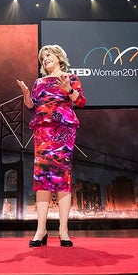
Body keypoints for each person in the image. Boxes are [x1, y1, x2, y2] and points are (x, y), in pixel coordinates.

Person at [16, 44, 86, 247]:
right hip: (43, 132)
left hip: (63, 132)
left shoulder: (69, 77)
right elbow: (32, 106)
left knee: (63, 178)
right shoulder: (39, 81)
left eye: (48, 55)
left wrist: (68, 89)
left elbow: (81, 101)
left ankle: (63, 231)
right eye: (42, 57)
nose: (45, 59)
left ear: (59, 57)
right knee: (42, 177)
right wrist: (26, 94)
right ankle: (41, 230)